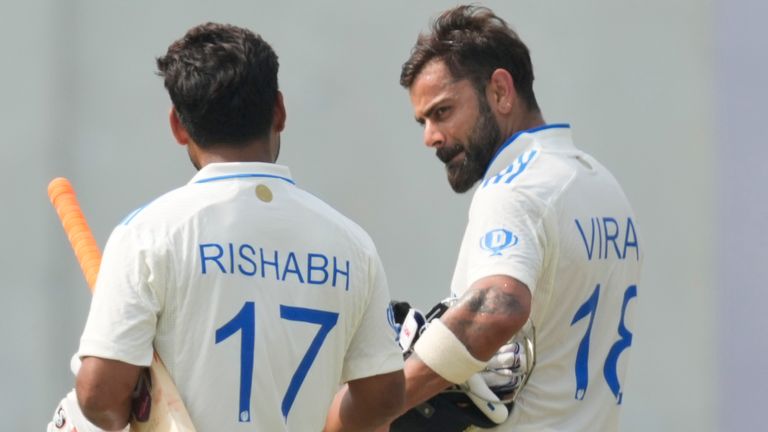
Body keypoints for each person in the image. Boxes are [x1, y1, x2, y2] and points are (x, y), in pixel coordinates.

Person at [47, 22, 404, 432]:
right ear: (279, 111)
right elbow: (384, 397)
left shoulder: (148, 234)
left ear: (178, 126)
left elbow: (98, 395)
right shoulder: (352, 244)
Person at [392, 5, 643, 431]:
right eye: (423, 120)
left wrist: (375, 405)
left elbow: (498, 308)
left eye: (442, 111)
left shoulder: (515, 186)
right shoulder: (602, 183)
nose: (430, 137)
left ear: (501, 92)